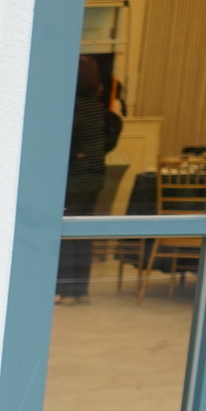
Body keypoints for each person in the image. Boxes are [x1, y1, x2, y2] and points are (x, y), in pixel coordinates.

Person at [57, 56, 121, 302]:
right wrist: (93, 153)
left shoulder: (71, 108)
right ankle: (81, 290)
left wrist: (75, 153)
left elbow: (65, 141)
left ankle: (65, 289)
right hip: (95, 174)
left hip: (73, 176)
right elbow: (110, 136)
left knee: (65, 233)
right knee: (82, 233)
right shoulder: (99, 109)